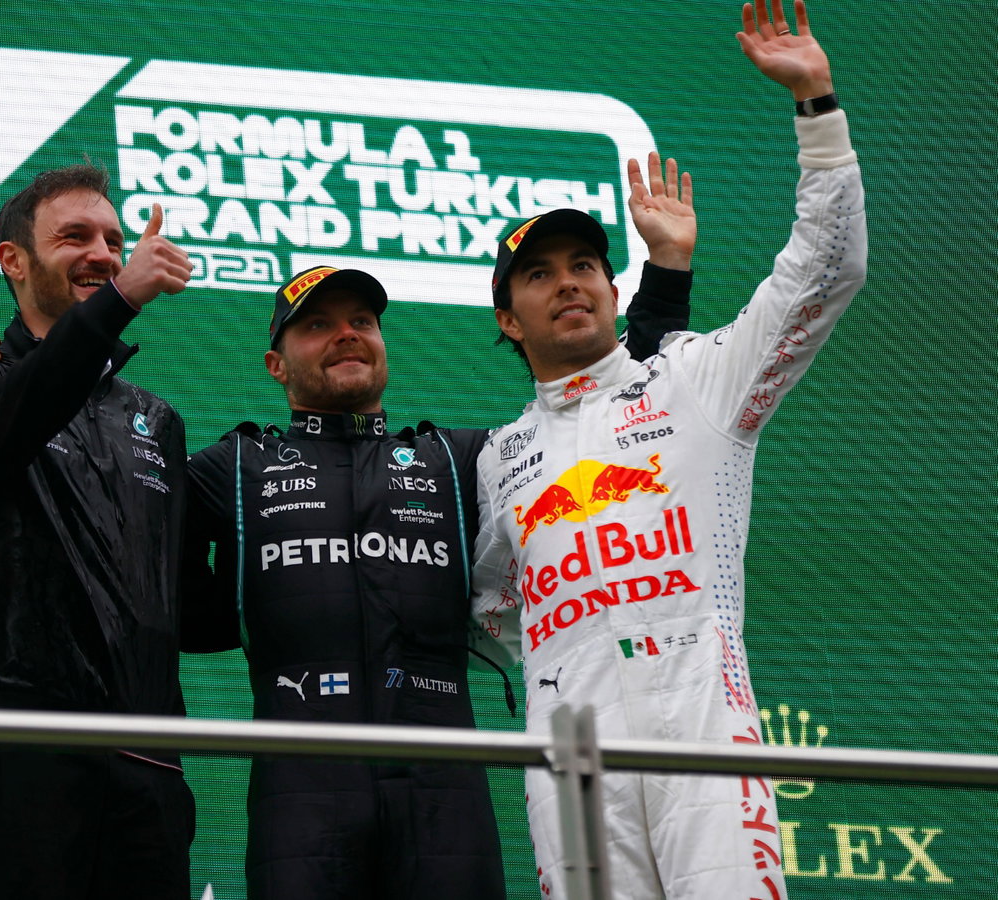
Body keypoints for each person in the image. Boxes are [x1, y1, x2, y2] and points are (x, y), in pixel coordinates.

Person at [180, 162, 697, 896]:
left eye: (361, 321)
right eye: (318, 326)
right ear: (276, 364)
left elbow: (619, 406)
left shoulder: (461, 461)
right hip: (301, 784)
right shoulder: (234, 467)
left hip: (442, 785)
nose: (346, 336)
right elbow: (120, 534)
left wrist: (667, 276)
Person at [470, 2, 864, 897]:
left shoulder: (696, 383)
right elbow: (488, 606)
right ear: (507, 317)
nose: (567, 282)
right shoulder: (500, 458)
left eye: (583, 266)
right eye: (538, 273)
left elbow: (826, 270)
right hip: (566, 745)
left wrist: (816, 105)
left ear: (614, 289)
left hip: (701, 720)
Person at [0, 165, 195, 899]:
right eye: (74, 237)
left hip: (151, 764)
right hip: (23, 754)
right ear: (13, 260)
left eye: (113, 240)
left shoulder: (156, 419)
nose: (103, 254)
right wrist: (121, 298)